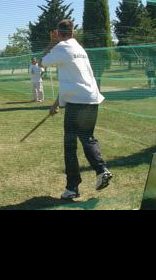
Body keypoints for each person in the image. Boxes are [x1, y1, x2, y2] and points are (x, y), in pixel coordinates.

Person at [41, 19, 113, 200]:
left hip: (77, 104)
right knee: (87, 137)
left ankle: (72, 187)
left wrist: (52, 42)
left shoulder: (61, 47)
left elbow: (42, 61)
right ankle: (101, 169)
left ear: (58, 32)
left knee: (70, 145)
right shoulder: (79, 49)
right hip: (91, 99)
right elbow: (74, 80)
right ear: (73, 31)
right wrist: (57, 103)